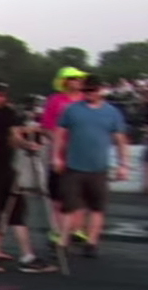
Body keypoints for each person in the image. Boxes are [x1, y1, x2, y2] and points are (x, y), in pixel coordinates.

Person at [0, 79, 55, 274]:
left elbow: (14, 135)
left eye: (2, 94)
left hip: (6, 168)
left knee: (17, 211)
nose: (0, 98)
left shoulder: (9, 113)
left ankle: (27, 255)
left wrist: (26, 144)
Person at [51, 75, 129, 259]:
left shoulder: (112, 113)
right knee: (68, 206)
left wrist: (123, 164)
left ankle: (92, 242)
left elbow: (120, 140)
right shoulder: (72, 110)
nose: (89, 94)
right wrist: (56, 156)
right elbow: (59, 134)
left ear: (100, 90)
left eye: (92, 90)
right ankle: (63, 241)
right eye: (86, 90)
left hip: (98, 168)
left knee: (97, 207)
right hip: (74, 166)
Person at [40, 66, 89, 245]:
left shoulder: (86, 99)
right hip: (60, 154)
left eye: (79, 78)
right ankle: (59, 230)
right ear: (65, 81)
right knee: (58, 195)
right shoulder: (55, 100)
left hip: (83, 153)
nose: (78, 81)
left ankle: (77, 229)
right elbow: (46, 127)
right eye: (74, 78)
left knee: (82, 193)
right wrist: (59, 143)